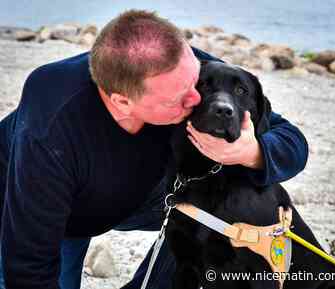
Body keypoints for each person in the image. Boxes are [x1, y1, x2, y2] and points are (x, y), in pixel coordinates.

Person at [0, 9, 308, 289]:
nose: (197, 100)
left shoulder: (181, 68)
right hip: (49, 211)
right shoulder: (51, 125)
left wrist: (249, 152)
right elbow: (28, 271)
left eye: (195, 82)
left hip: (144, 194)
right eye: (179, 98)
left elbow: (291, 140)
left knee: (218, 195)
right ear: (122, 101)